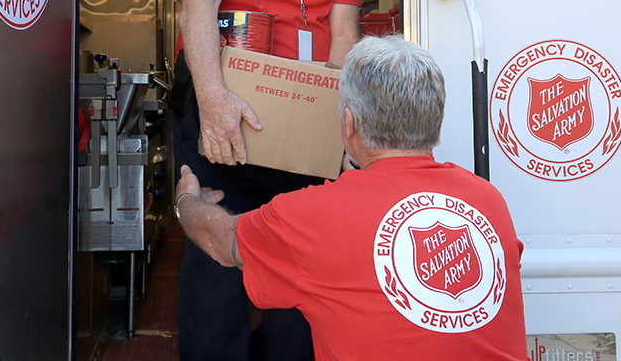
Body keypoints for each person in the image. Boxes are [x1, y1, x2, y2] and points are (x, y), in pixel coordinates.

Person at [174, 36, 529, 361]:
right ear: (434, 119)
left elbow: (220, 239)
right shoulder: (487, 199)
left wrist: (188, 200)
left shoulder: (316, 214)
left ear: (349, 123)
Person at [172, 0, 362, 361]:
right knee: (216, 253)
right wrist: (212, 100)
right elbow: (198, 5)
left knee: (301, 261)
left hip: (303, 114)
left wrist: (341, 127)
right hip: (227, 106)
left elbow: (344, 36)